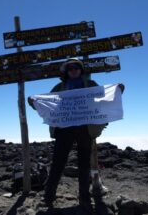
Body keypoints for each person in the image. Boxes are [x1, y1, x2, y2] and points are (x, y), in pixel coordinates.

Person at [28, 58, 124, 214]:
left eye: (76, 67)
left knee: (84, 165)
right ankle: (48, 197)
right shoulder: (59, 87)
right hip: (64, 130)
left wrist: (118, 89)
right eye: (70, 68)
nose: (73, 70)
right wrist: (33, 102)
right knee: (58, 163)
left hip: (85, 130)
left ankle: (84, 199)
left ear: (81, 69)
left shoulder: (90, 85)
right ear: (66, 72)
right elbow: (47, 105)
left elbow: (104, 98)